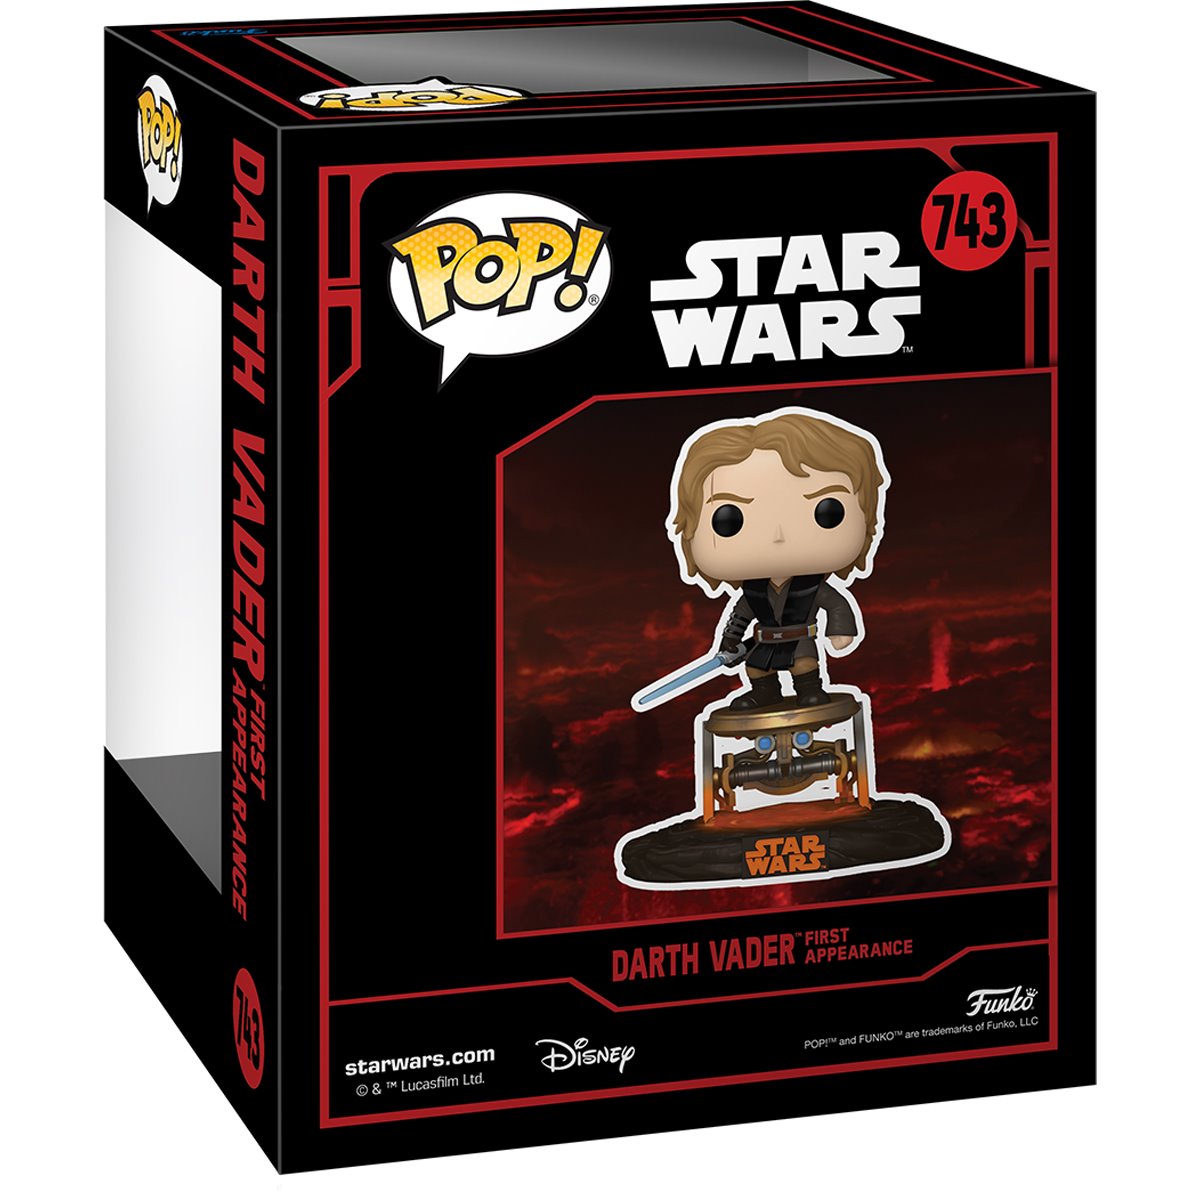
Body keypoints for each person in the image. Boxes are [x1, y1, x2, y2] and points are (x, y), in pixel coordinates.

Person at [669, 409, 887, 710]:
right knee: (757, 669)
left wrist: (839, 629)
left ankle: (810, 690)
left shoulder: (812, 587)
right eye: (729, 520)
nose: (778, 535)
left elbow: (836, 605)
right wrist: (729, 642)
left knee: (804, 665)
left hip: (800, 641)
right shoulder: (754, 592)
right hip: (764, 642)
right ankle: (763, 693)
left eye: (827, 512)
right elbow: (740, 616)